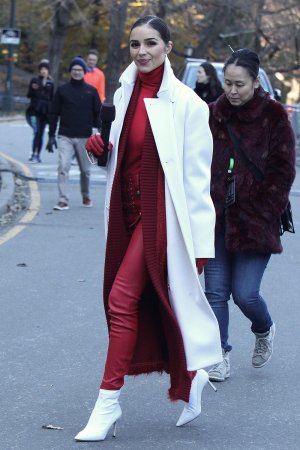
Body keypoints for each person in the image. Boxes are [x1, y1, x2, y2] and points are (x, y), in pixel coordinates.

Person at [74, 15, 222, 442]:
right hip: (126, 214)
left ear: (168, 47)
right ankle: (192, 375)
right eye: (135, 44)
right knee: (146, 302)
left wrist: (199, 247)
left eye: (151, 43)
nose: (142, 52)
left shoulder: (190, 105)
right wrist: (100, 151)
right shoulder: (122, 95)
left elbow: (198, 184)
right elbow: (121, 161)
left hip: (163, 222)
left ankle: (107, 402)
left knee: (121, 298)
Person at [205, 48, 295, 382]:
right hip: (215, 218)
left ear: (255, 82)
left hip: (256, 221)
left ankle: (264, 328)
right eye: (227, 83)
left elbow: (283, 169)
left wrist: (264, 208)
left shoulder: (273, 115)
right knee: (214, 292)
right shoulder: (213, 113)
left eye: (239, 84)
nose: (232, 90)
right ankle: (218, 355)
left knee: (245, 294)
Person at [47, 56, 101, 210]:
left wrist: (101, 132)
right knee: (63, 167)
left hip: (85, 136)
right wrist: (51, 135)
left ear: (84, 72)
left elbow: (98, 113)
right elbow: (53, 113)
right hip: (65, 135)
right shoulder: (62, 91)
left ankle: (86, 195)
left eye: (80, 70)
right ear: (70, 72)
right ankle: (63, 199)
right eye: (74, 70)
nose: (77, 72)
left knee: (85, 170)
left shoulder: (91, 91)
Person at [26, 60, 54, 163]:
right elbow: (29, 94)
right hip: (34, 111)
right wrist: (34, 89)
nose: (43, 71)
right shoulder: (34, 81)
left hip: (45, 112)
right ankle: (33, 153)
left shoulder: (51, 83)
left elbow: (52, 98)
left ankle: (38, 154)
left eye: (45, 69)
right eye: (42, 69)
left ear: (48, 71)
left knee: (41, 133)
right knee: (36, 131)